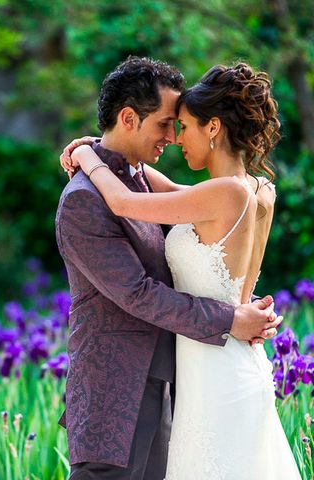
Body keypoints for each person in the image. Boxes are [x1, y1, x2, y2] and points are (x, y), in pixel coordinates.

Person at [64, 62, 300, 479]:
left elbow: (124, 201)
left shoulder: (219, 193)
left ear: (213, 128)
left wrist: (87, 152)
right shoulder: (255, 190)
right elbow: (148, 195)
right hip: (185, 372)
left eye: (182, 126)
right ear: (129, 118)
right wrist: (97, 149)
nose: (174, 139)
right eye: (168, 124)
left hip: (208, 368)